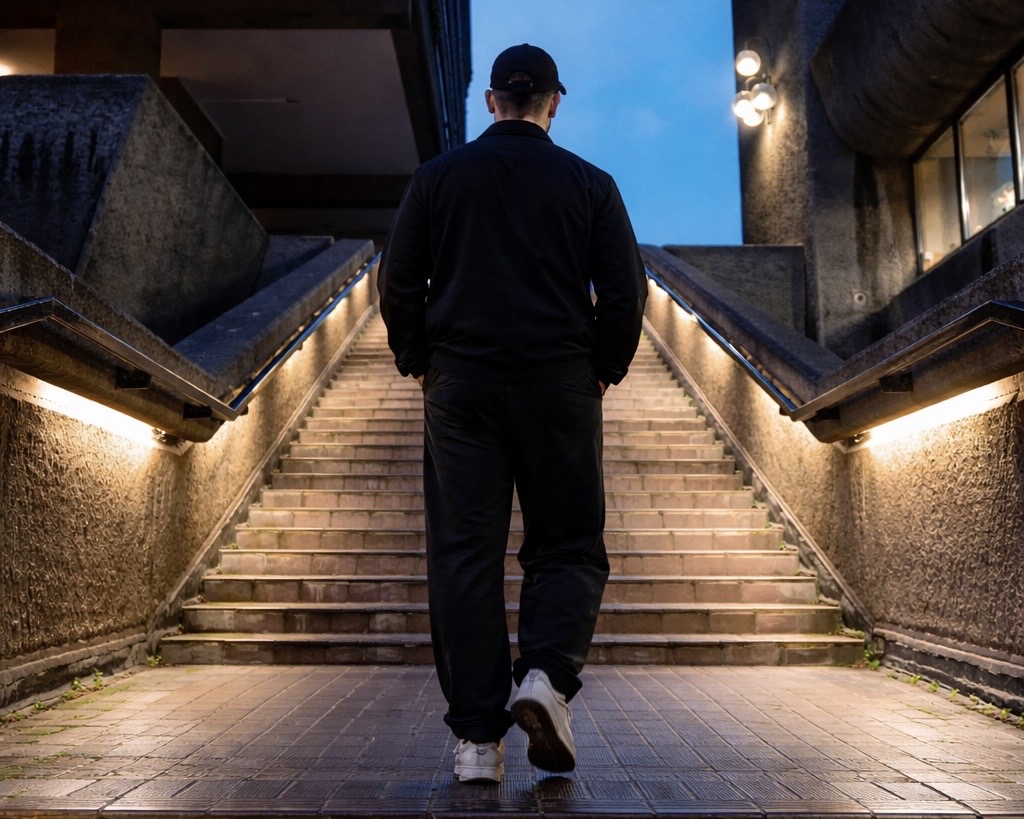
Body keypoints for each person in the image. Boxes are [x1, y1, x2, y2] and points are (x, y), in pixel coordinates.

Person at [377, 43, 647, 783]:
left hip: (461, 383)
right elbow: (625, 292)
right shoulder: (590, 184)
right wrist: (602, 368)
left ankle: (475, 744)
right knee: (566, 543)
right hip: (558, 379)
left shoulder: (438, 179)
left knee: (464, 556)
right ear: (553, 103)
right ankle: (546, 678)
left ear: (492, 101)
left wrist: (419, 359)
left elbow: (397, 282)